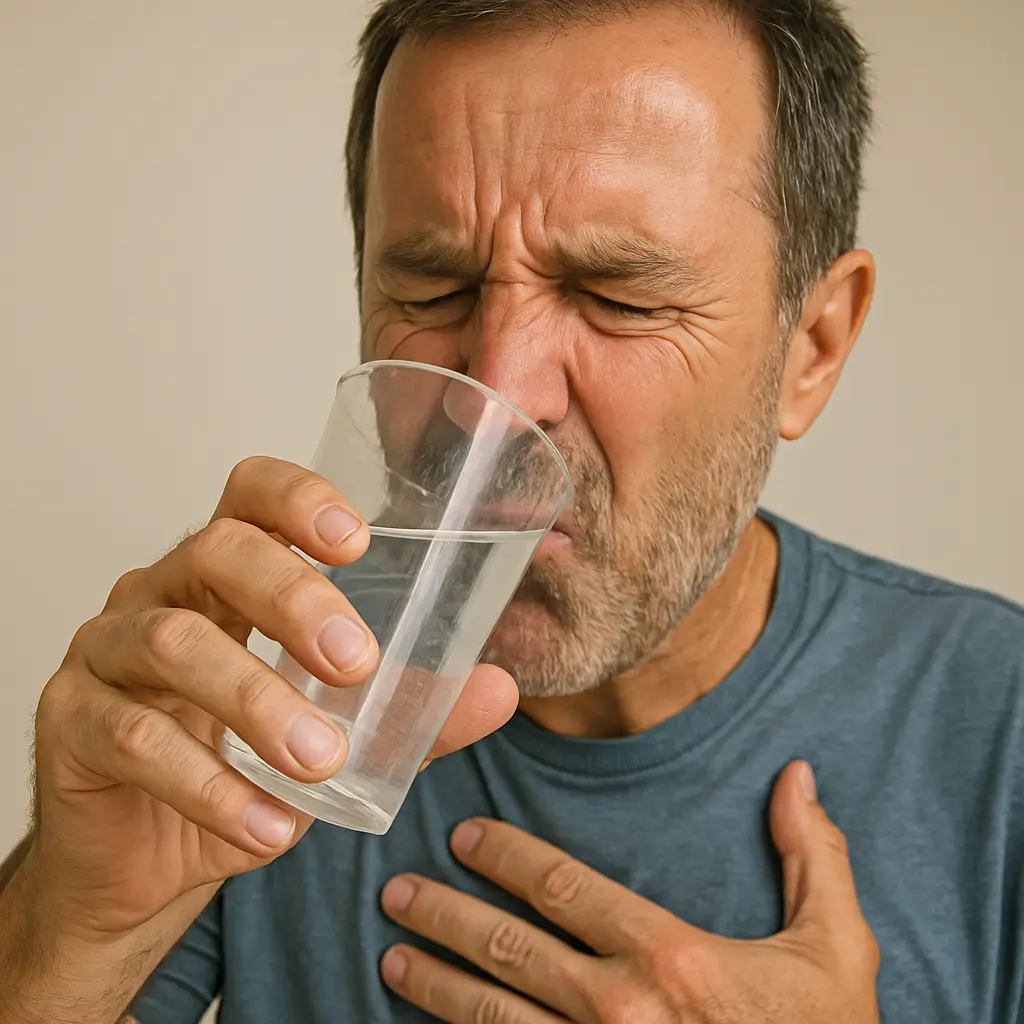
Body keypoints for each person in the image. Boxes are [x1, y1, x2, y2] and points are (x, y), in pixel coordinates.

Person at [1, 0, 1021, 1021]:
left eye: (619, 297)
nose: (497, 391)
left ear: (814, 345)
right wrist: (69, 932)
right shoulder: (263, 699)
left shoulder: (999, 729)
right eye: (435, 286)